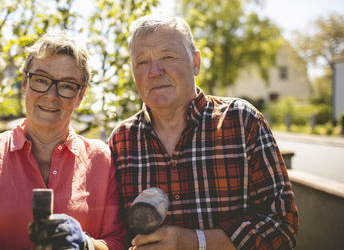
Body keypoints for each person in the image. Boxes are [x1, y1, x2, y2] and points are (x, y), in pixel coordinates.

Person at [108, 14, 298, 250]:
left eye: (167, 56)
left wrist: (195, 242)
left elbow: (281, 227)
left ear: (195, 63)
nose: (154, 71)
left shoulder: (242, 122)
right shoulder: (121, 142)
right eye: (142, 62)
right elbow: (113, 234)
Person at [0, 32, 127, 250]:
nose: (51, 95)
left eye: (67, 85)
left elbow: (119, 242)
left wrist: (87, 245)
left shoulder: (100, 159)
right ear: (24, 84)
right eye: (41, 80)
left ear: (80, 96)